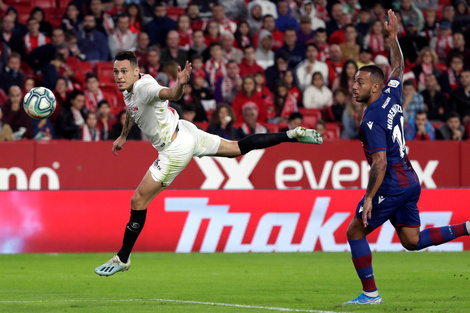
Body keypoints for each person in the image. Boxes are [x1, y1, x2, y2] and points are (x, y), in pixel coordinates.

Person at [94, 51, 323, 276]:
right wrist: (124, 135)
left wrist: (180, 85)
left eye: (124, 71)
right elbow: (132, 111)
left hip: (174, 149)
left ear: (136, 71)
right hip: (186, 131)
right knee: (235, 149)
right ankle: (290, 135)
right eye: (116, 71)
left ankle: (123, 258)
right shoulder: (130, 89)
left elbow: (171, 93)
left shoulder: (145, 87)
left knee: (138, 200)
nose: (119, 76)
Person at [343, 10, 470, 306]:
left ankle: (370, 295)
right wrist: (392, 38)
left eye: (360, 82)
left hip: (392, 184)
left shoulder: (371, 119)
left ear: (374, 86)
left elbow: (379, 162)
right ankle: (467, 228)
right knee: (412, 241)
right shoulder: (391, 94)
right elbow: (398, 67)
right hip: (411, 180)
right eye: (354, 81)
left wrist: (370, 196)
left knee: (354, 231)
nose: (354, 85)